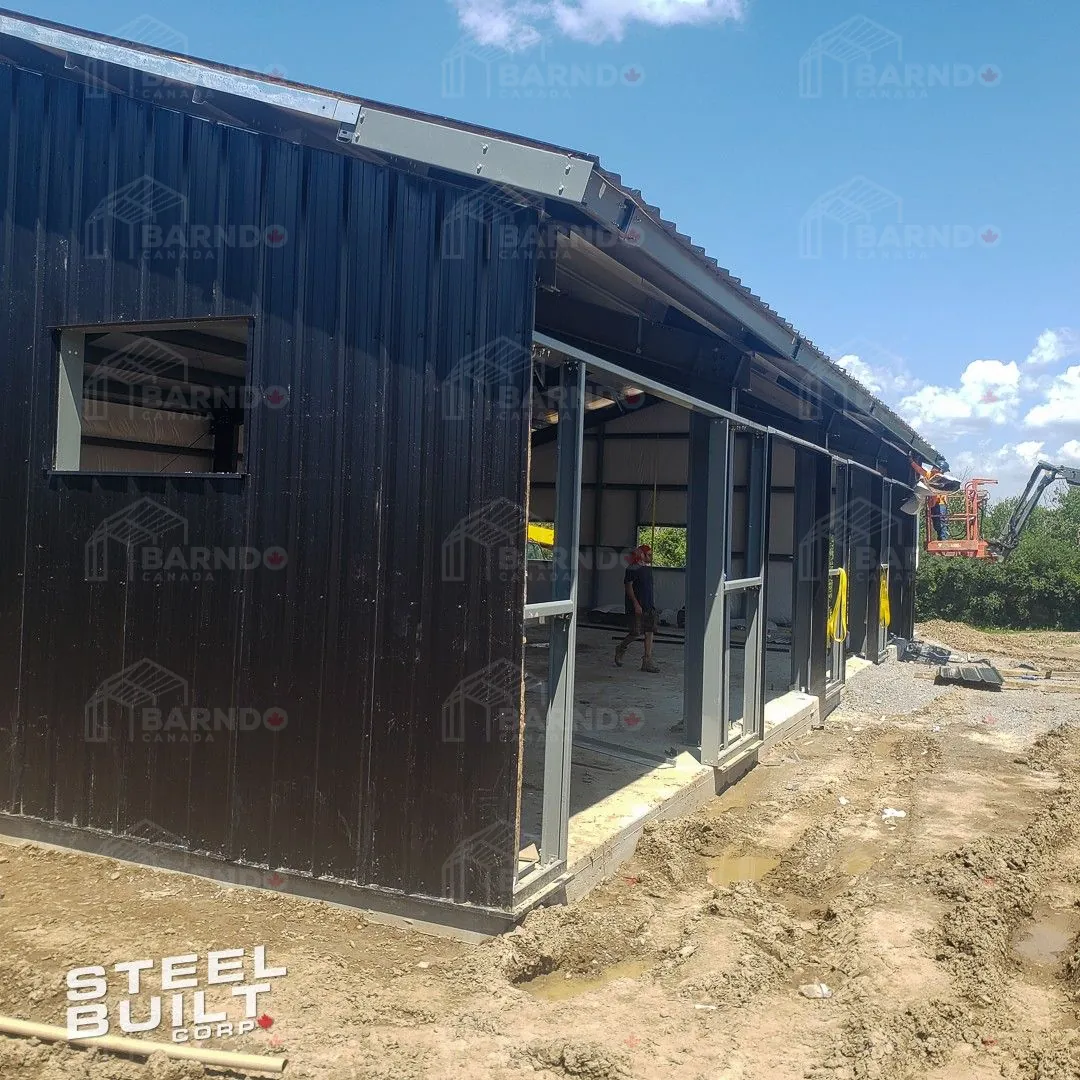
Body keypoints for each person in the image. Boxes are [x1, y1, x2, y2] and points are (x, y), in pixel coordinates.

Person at [614, 544, 660, 673]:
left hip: (649, 605)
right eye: (648, 555)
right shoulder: (632, 569)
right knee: (635, 633)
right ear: (641, 555)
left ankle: (647, 661)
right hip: (637, 606)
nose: (651, 557)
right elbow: (628, 587)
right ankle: (621, 647)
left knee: (649, 631)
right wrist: (635, 604)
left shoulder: (647, 569)